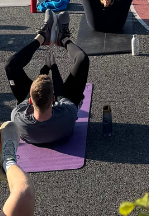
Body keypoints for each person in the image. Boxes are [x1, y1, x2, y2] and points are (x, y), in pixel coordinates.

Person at [6, 11, 89, 146]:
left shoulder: (17, 116)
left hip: (37, 118)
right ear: (52, 99)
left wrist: (44, 70)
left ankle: (42, 37)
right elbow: (61, 95)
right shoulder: (69, 114)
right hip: (61, 119)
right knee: (83, 60)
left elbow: (31, 94)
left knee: (10, 66)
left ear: (30, 101)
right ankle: (64, 39)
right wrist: (53, 67)